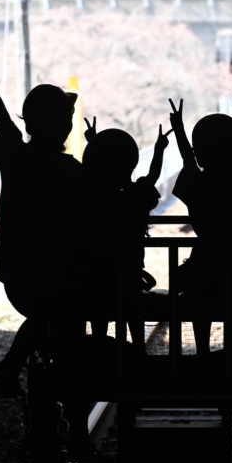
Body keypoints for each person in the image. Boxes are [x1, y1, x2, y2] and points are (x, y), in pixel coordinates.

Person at [0, 45, 82, 399]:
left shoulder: (18, 159)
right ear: (63, 125)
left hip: (17, 270)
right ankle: (14, 369)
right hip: (62, 271)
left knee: (44, 315)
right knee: (57, 313)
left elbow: (3, 121)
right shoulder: (72, 171)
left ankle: (13, 372)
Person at [167, 99, 232, 354]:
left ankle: (203, 354)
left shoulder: (197, 184)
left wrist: (179, 130)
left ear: (200, 150)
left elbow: (188, 160)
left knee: (200, 305)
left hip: (203, 265)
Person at [77, 121, 172, 349]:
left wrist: (94, 142)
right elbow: (152, 176)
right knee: (133, 314)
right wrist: (159, 149)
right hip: (130, 272)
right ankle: (138, 354)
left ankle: (100, 352)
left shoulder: (91, 198)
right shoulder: (136, 194)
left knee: (99, 317)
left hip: (97, 274)